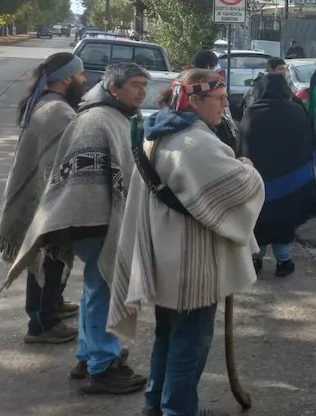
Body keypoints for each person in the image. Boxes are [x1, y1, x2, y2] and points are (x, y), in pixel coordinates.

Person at [109, 68, 264, 416]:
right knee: (190, 346)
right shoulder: (194, 142)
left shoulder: (159, 133)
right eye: (220, 99)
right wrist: (247, 166)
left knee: (168, 337)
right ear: (195, 100)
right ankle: (178, 410)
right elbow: (241, 189)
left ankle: (156, 405)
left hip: (166, 258)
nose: (226, 105)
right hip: (190, 265)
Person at [4, 63, 150, 394]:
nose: (142, 91)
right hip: (95, 220)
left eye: (145, 84)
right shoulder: (98, 120)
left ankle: (88, 355)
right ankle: (103, 367)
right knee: (106, 291)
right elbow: (83, 180)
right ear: (114, 88)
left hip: (97, 221)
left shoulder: (113, 116)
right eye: (135, 85)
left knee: (95, 290)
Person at [0, 52, 86, 345]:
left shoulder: (47, 102)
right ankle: (42, 323)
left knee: (52, 256)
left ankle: (52, 305)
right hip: (47, 200)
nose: (85, 80)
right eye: (81, 75)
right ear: (68, 78)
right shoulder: (57, 112)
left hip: (45, 196)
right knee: (48, 256)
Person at [239, 72, 316, 278]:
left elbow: (243, 147)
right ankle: (284, 261)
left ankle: (255, 259)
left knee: (258, 221)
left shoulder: (252, 113)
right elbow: (307, 142)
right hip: (289, 180)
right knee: (284, 220)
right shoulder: (296, 112)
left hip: (259, 180)